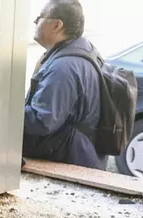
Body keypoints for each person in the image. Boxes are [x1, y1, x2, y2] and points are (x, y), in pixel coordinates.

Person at [23, 0, 103, 169]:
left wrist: (5, 112)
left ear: (57, 25)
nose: (35, 21)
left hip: (70, 158)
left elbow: (42, 122)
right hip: (82, 150)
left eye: (40, 17)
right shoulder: (82, 49)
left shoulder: (63, 68)